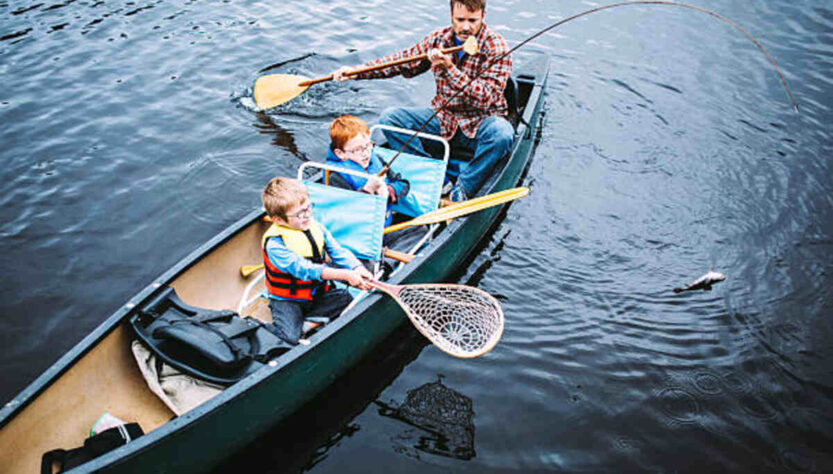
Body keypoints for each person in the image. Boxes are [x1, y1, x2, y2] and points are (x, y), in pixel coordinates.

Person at [333, 0, 513, 202]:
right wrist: (357, 73)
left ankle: (463, 188)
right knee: (389, 119)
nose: (465, 27)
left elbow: (485, 98)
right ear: (451, 15)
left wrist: (449, 69)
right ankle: (434, 178)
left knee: (502, 134)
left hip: (481, 122)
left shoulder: (496, 46)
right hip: (445, 119)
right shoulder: (439, 39)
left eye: (472, 20)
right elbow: (401, 61)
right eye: (459, 19)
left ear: (483, 16)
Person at [261, 177, 373, 345]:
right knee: (289, 338)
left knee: (345, 298)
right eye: (299, 214)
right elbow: (305, 269)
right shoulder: (275, 244)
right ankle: (277, 327)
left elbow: (337, 251)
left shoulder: (314, 225)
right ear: (278, 219)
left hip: (315, 292)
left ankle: (305, 326)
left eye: (308, 208)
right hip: (288, 299)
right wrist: (345, 275)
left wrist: (357, 267)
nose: (307, 215)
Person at [325, 115, 424, 270]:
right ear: (340, 153)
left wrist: (390, 190)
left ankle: (388, 264)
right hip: (358, 238)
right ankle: (378, 265)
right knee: (362, 263)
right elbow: (346, 213)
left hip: (383, 230)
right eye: (357, 150)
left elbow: (403, 184)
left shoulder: (376, 161)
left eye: (367, 146)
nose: (365, 153)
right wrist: (367, 190)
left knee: (419, 229)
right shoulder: (336, 177)